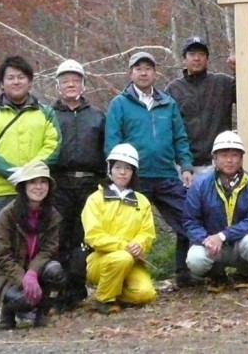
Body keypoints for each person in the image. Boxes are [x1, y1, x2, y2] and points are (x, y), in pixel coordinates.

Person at [105, 51, 195, 287]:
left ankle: (185, 273)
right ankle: (128, 279)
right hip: (135, 178)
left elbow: (180, 138)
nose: (143, 73)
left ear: (155, 73)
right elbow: (112, 141)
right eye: (138, 68)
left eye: (148, 68)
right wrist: (117, 173)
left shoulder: (168, 103)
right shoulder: (120, 104)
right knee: (129, 229)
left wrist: (185, 165)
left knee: (188, 219)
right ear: (130, 73)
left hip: (167, 174)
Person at [0, 55, 61, 280]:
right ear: (2, 83)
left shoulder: (45, 112)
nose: (16, 82)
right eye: (10, 78)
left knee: (32, 248)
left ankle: (28, 301)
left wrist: (30, 175)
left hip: (35, 194)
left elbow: (53, 146)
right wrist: (12, 172)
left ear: (30, 81)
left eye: (21, 77)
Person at [0, 161, 64, 329]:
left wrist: (32, 272)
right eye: (33, 182)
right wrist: (23, 279)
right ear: (24, 186)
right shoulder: (7, 214)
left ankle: (42, 313)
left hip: (35, 270)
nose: (39, 187)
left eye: (43, 182)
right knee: (19, 298)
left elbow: (49, 249)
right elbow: (1, 254)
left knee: (55, 270)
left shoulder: (52, 215)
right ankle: (7, 313)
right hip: (8, 273)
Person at [50, 59, 106, 311]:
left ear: (83, 84)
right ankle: (59, 291)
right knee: (59, 235)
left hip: (90, 184)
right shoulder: (48, 115)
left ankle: (77, 288)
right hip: (59, 184)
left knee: (84, 237)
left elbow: (106, 150)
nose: (70, 85)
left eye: (75, 80)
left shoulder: (97, 116)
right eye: (65, 81)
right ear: (58, 85)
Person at [184, 131, 248, 292]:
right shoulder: (200, 186)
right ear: (214, 158)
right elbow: (191, 221)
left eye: (234, 155)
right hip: (211, 246)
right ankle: (216, 276)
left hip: (239, 244)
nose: (229, 160)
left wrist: (222, 236)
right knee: (195, 259)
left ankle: (243, 275)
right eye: (223, 155)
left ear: (241, 158)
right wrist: (205, 240)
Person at [81, 144, 157, 314]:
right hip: (100, 260)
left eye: (127, 168)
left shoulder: (142, 201)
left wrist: (140, 244)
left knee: (146, 294)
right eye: (118, 167)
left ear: (133, 172)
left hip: (132, 261)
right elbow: (93, 235)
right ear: (110, 170)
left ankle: (115, 291)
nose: (122, 172)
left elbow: (147, 232)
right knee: (122, 258)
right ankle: (103, 299)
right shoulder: (96, 199)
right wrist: (123, 246)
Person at [166, 36, 236, 181]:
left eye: (201, 54)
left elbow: (247, 97)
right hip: (187, 168)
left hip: (220, 165)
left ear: (207, 59)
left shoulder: (223, 83)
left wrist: (238, 71)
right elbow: (166, 128)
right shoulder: (173, 89)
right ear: (184, 59)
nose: (197, 58)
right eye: (192, 54)